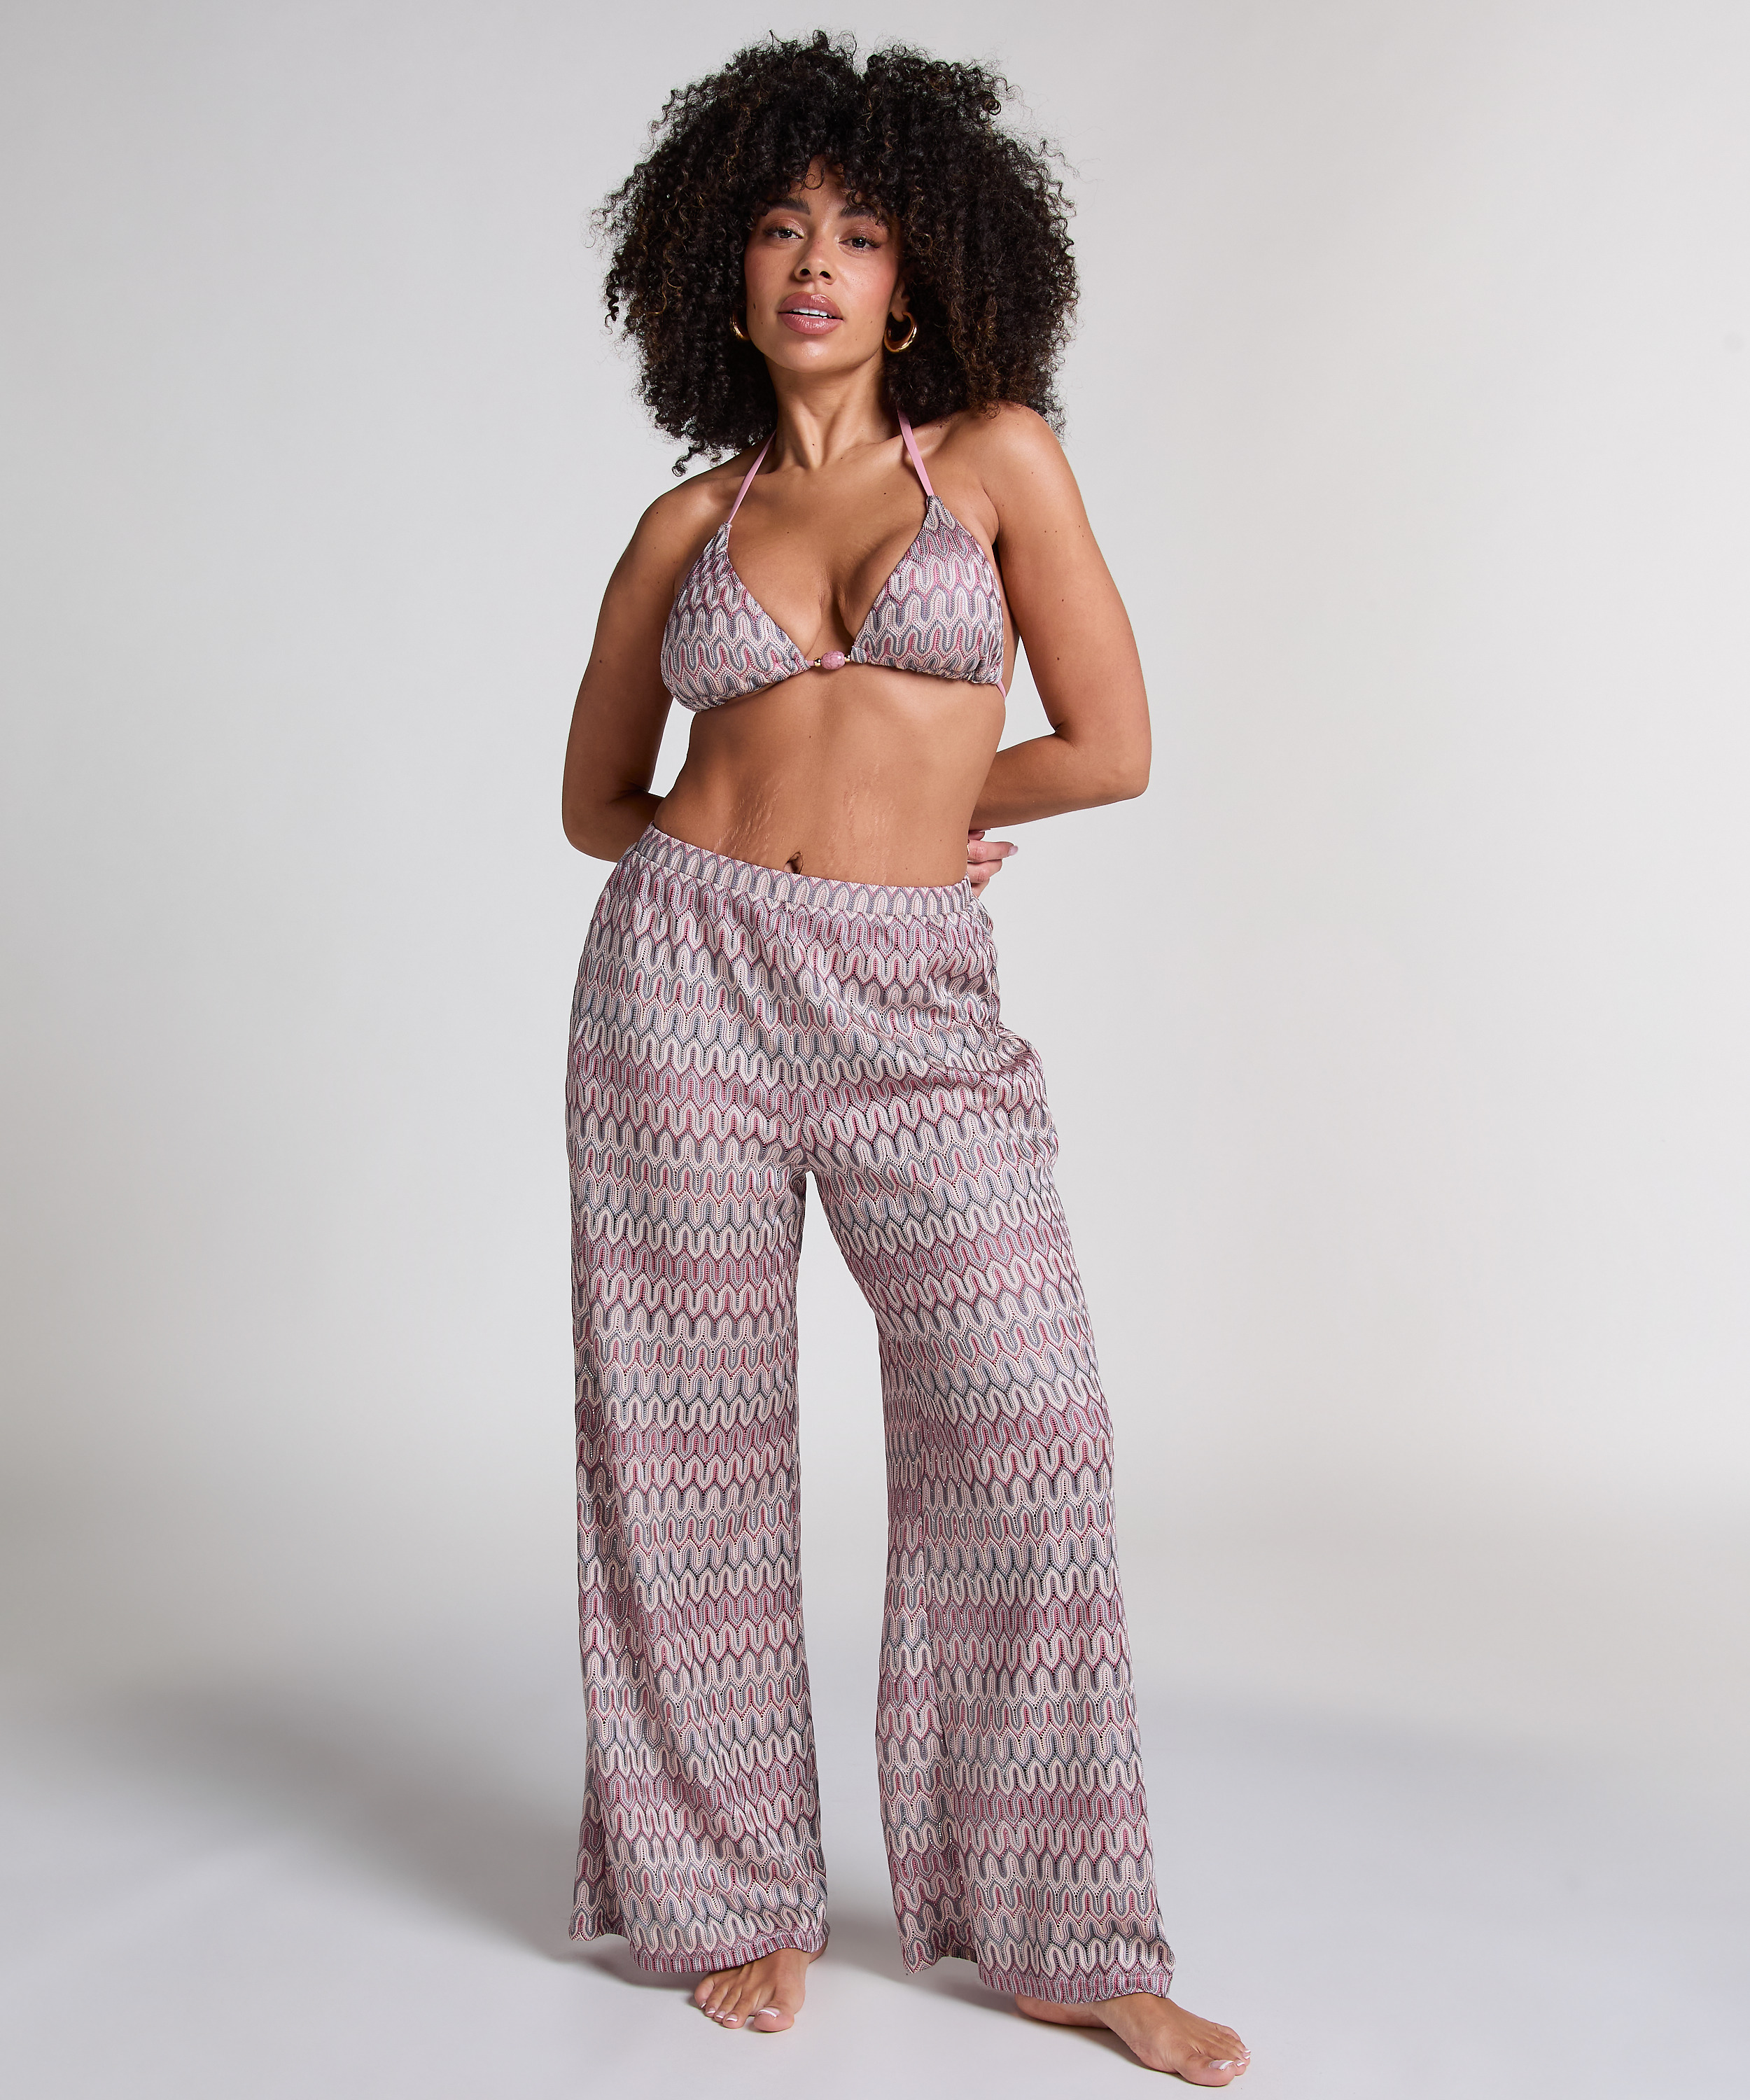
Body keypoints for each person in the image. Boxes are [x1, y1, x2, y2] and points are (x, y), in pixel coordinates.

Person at [559, 34, 1249, 2084]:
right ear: (720, 265)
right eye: (780, 227)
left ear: (923, 270)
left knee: (1027, 1420)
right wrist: (735, 850)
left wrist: (928, 810)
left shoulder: (998, 459)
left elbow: (1108, 747)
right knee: (681, 1444)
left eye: (858, 233)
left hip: (910, 996)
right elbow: (597, 802)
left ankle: (1060, 1932)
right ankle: (728, 1898)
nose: (815, 263)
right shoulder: (690, 521)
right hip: (678, 981)